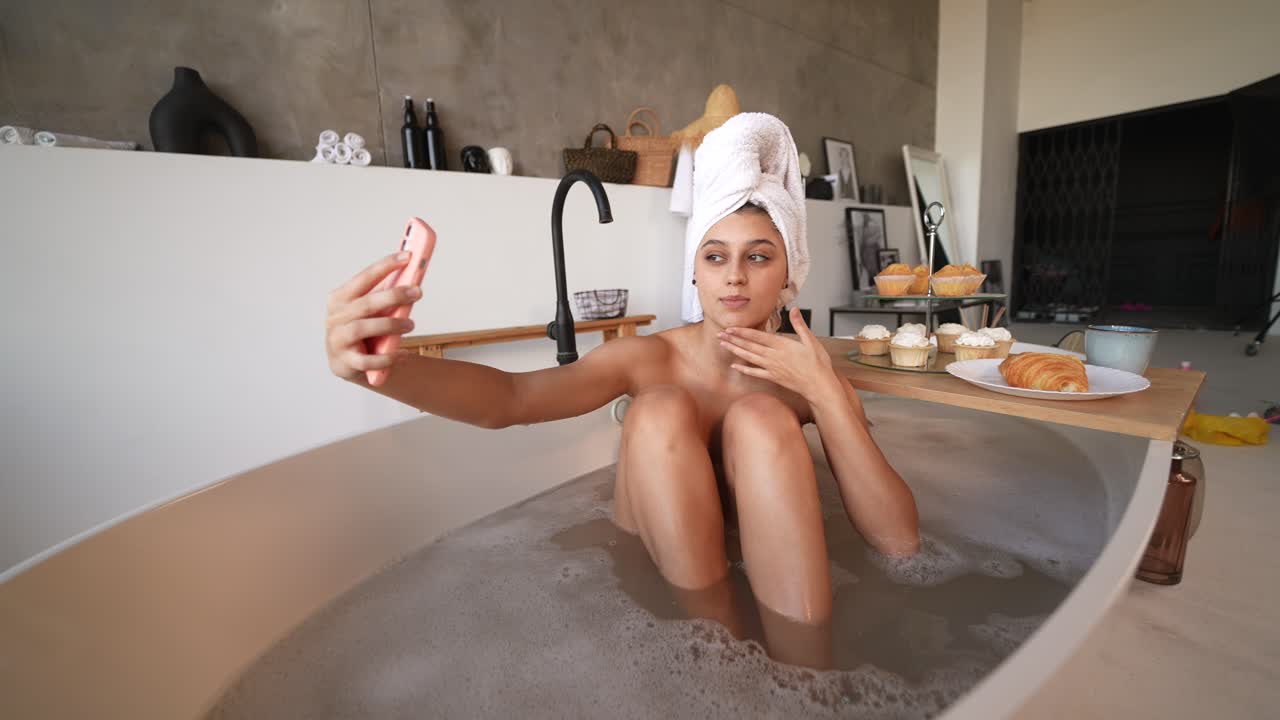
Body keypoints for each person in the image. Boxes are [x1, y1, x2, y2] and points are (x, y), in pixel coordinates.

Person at [323, 114, 919, 663]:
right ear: (695, 269)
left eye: (758, 257)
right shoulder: (650, 359)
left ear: (789, 271)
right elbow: (512, 401)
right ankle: (723, 666)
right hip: (660, 574)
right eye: (716, 257)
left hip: (779, 569)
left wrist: (824, 391)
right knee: (660, 411)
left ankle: (804, 676)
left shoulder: (804, 377)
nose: (734, 276)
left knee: (762, 417)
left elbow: (898, 542)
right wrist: (381, 369)